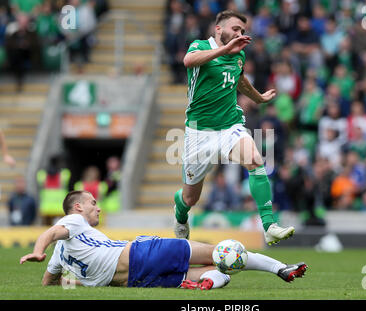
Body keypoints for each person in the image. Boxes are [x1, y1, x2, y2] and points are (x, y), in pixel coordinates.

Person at [173, 10, 295, 245]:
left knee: (256, 161)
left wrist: (258, 98)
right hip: (199, 132)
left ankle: (269, 226)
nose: (240, 34)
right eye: (235, 29)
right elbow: (188, 62)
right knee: (189, 198)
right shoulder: (199, 45)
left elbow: (239, 78)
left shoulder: (238, 55)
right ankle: (180, 219)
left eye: (242, 31)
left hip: (230, 126)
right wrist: (224, 50)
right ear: (219, 29)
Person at [19, 190, 308, 289]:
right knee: (222, 252)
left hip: (136, 280)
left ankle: (212, 283)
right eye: (93, 202)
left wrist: (80, 281)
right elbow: (51, 233)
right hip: (144, 254)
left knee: (218, 273)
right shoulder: (74, 220)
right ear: (78, 207)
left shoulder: (62, 254)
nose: (98, 207)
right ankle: (279, 268)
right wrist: (38, 249)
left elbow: (50, 285)